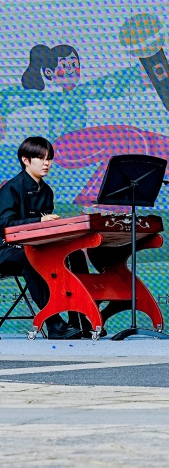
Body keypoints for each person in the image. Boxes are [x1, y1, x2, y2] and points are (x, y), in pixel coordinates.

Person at [0, 136, 82, 339]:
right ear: (25, 160)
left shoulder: (46, 192)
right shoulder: (11, 188)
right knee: (32, 259)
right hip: (6, 251)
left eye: (49, 158)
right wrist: (40, 220)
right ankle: (54, 324)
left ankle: (80, 320)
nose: (47, 163)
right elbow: (5, 225)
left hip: (35, 247)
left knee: (75, 255)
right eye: (41, 158)